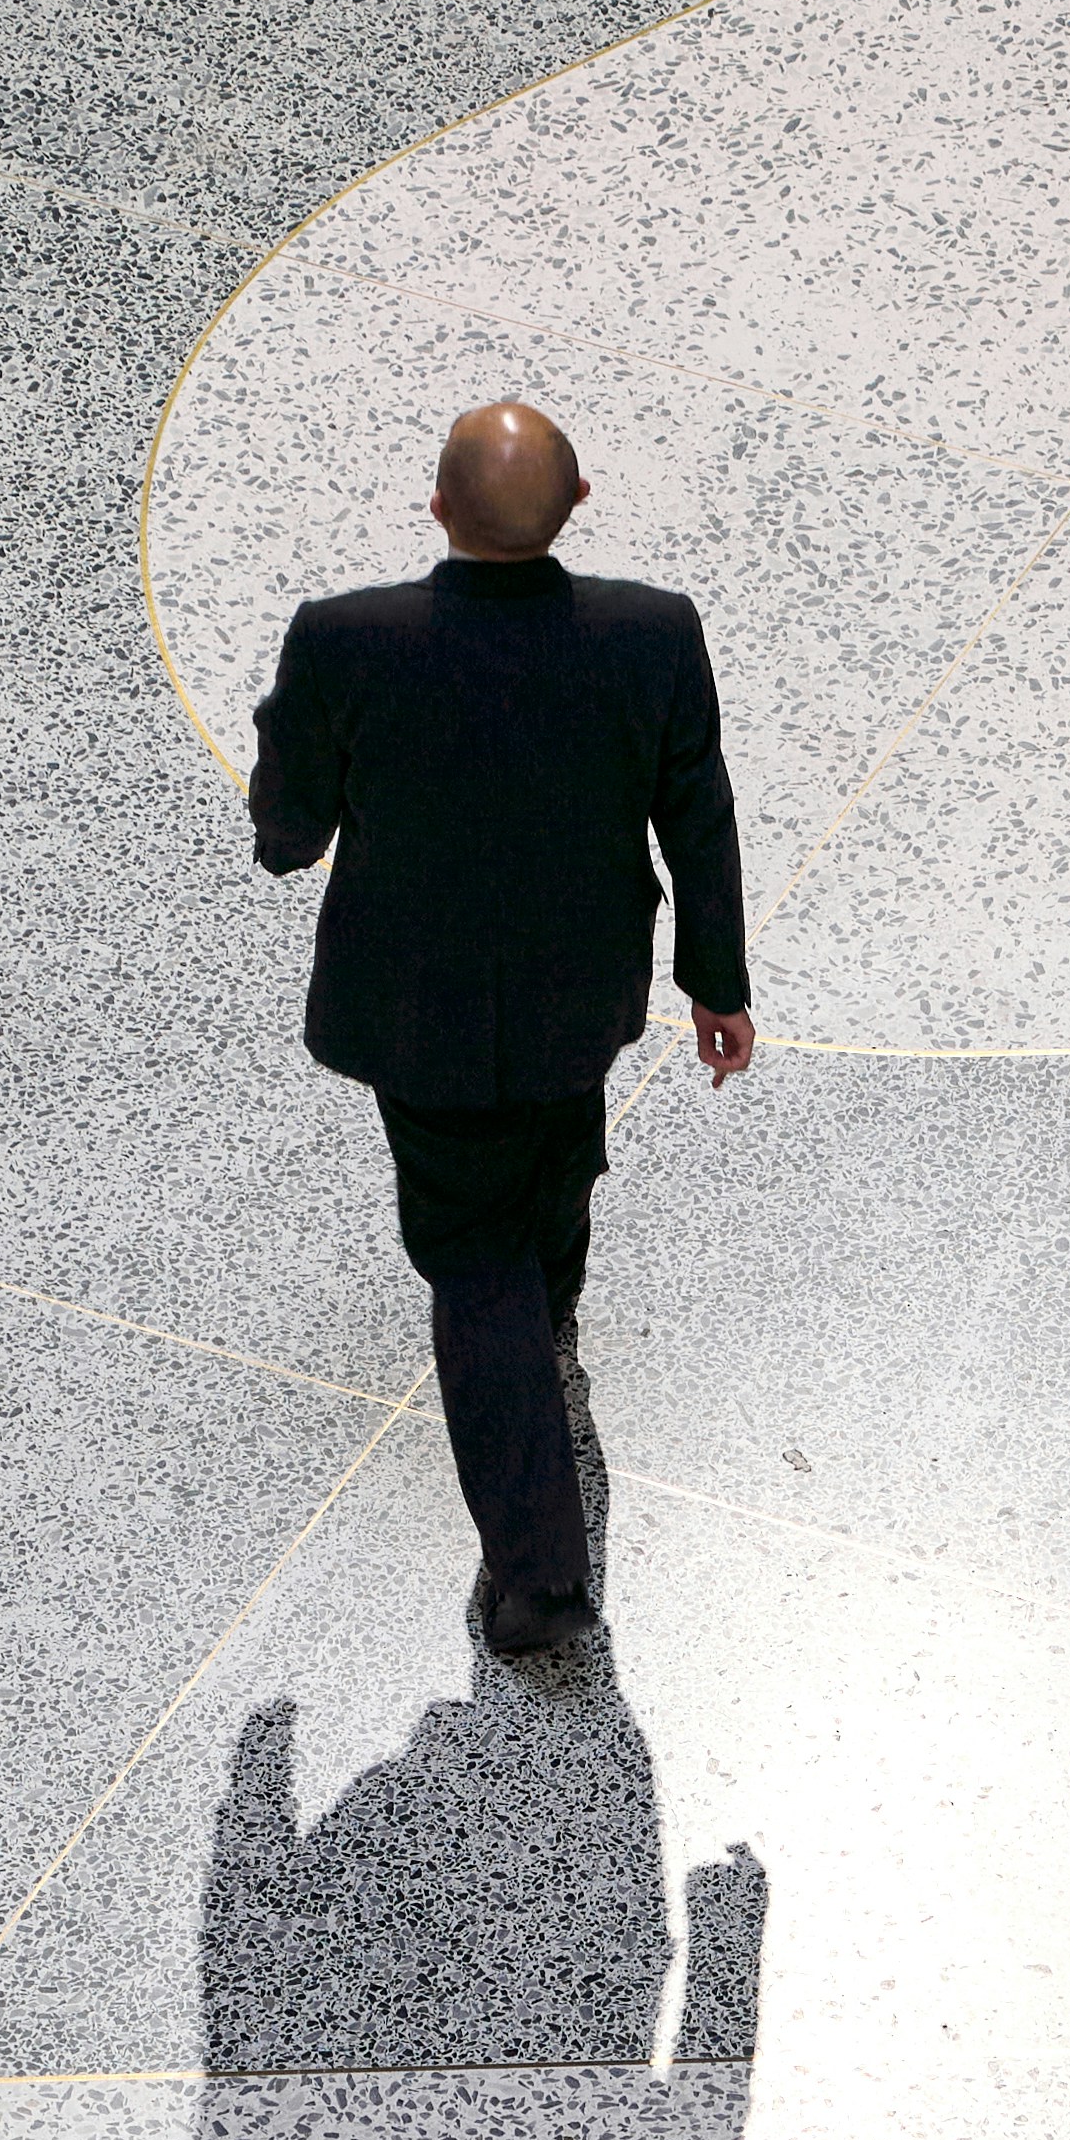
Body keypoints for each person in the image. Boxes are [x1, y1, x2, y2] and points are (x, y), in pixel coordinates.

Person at [245, 396, 753, 1656]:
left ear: (434, 510)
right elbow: (698, 817)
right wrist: (716, 982)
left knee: (470, 1255)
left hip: (412, 1005)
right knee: (556, 1136)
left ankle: (537, 1573)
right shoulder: (650, 634)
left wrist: (287, 821)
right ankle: (554, 1302)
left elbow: (288, 824)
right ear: (578, 506)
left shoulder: (347, 639)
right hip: (579, 992)